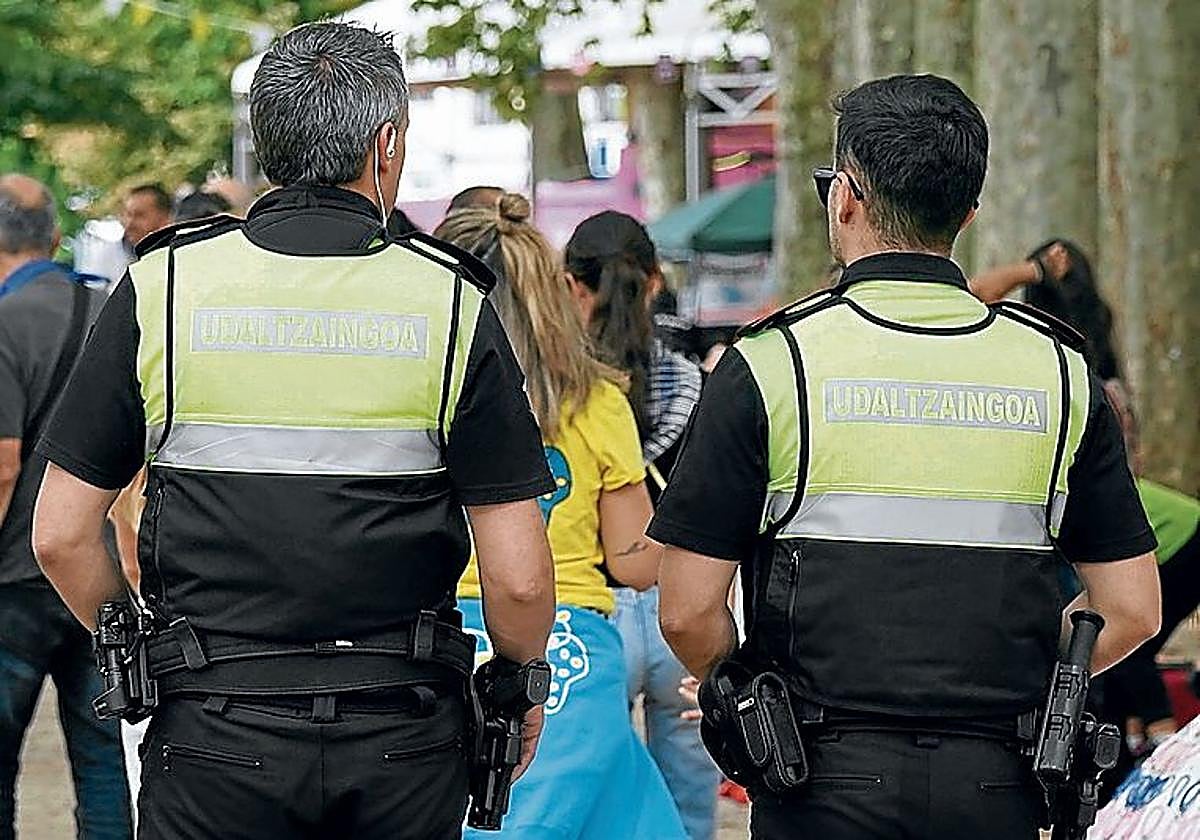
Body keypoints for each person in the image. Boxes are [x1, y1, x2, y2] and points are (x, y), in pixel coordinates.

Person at [31, 22, 557, 839]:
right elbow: (519, 580)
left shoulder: (165, 286)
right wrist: (518, 683)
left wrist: (136, 647)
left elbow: (62, 534)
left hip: (211, 730)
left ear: (268, 139)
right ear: (387, 145)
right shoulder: (450, 303)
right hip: (403, 734)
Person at [650, 73, 1162, 840]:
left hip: (817, 777)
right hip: (1000, 780)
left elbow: (689, 608)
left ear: (844, 197)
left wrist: (749, 688)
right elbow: (1130, 608)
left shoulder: (773, 364)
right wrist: (1017, 677)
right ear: (968, 212)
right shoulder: (1060, 374)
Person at [435, 195, 689, 840]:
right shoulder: (599, 400)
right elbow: (636, 564)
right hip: (571, 651)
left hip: (435, 641)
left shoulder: (416, 393)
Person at [974, 239, 1200, 778]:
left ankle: (1154, 762)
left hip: (1129, 526)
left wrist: (1030, 270)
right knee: (1114, 640)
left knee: (1112, 634)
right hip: (1138, 521)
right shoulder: (1106, 377)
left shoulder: (1055, 379)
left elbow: (977, 294)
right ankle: (1135, 756)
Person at [564, 211, 716, 840]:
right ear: (655, 282)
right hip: (678, 612)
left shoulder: (561, 393)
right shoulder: (691, 386)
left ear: (573, 286)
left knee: (593, 806)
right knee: (686, 805)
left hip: (586, 619)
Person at [0, 174, 131, 839]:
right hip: (95, 575)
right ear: (53, 236)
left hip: (15, 583)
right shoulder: (108, 308)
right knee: (104, 760)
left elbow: (0, 467)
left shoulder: (3, 322)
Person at [119, 184, 172, 254]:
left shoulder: (181, 255)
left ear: (164, 219)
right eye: (128, 215)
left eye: (139, 215)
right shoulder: (108, 258)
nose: (129, 223)